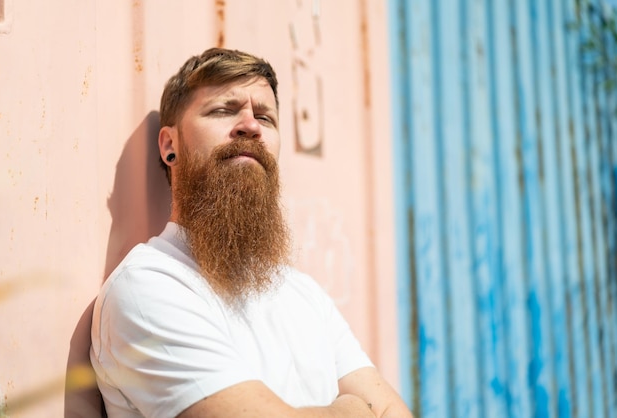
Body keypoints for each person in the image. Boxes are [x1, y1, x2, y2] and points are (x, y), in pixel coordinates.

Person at [90, 47, 413, 418]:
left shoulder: (302, 294)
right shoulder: (148, 286)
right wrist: (354, 408)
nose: (251, 125)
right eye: (223, 110)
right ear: (169, 145)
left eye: (265, 116)